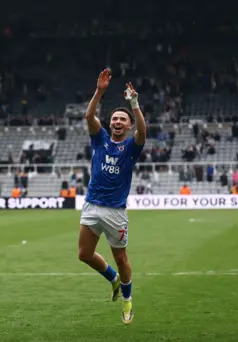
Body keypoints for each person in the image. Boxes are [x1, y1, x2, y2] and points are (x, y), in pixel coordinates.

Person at [79, 69, 146, 325]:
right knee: (84, 254)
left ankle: (127, 299)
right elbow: (88, 116)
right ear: (110, 123)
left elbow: (143, 131)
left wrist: (134, 105)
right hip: (92, 206)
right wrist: (99, 91)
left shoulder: (131, 147)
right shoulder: (100, 140)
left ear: (128, 126)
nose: (118, 121)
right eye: (115, 118)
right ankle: (113, 278)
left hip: (115, 211)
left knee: (121, 257)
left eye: (122, 120)